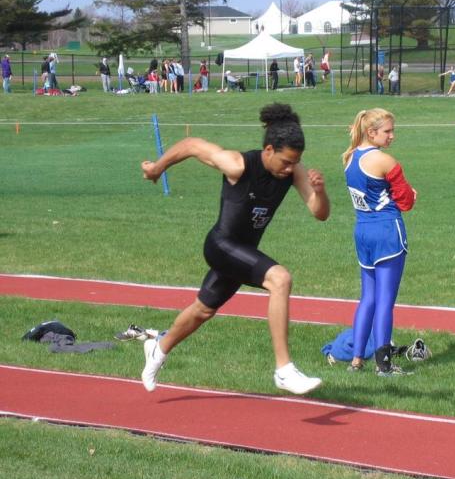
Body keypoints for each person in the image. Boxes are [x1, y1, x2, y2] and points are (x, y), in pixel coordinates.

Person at [140, 103, 330, 395]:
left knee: (203, 311)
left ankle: (158, 347)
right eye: (286, 162)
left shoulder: (294, 172)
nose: (290, 168)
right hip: (220, 245)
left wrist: (319, 191)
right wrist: (156, 168)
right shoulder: (237, 164)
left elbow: (320, 213)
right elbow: (191, 144)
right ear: (268, 150)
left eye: (296, 162)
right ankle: (284, 369)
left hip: (243, 252)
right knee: (280, 279)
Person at [342, 108, 417, 375]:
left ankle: (356, 360)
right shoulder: (384, 160)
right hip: (387, 231)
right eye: (387, 131)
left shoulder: (349, 157)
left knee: (368, 298)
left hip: (362, 231)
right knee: (385, 300)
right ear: (371, 132)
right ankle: (384, 365)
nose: (392, 136)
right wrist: (412, 195)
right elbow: (406, 201)